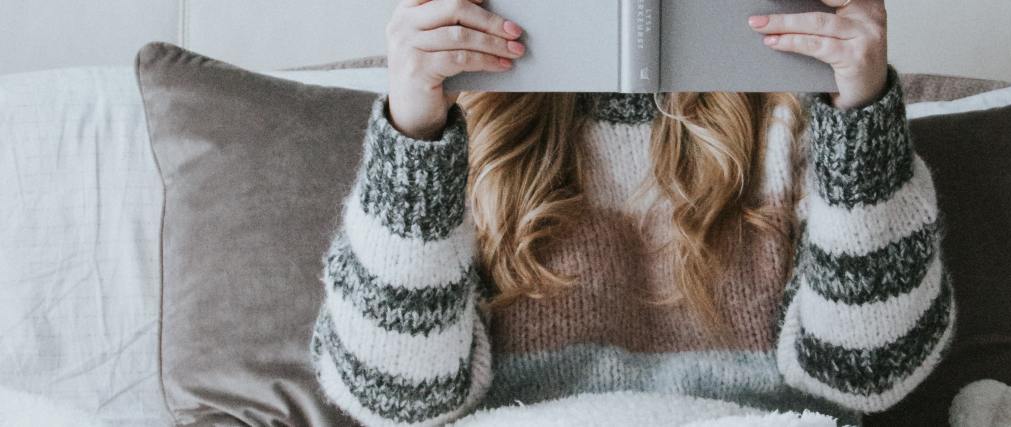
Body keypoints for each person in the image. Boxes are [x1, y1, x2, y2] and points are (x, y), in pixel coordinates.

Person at [309, 0, 954, 425]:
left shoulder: (797, 114)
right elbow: (392, 393)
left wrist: (862, 119)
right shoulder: (468, 122)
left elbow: (870, 372)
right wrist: (416, 136)